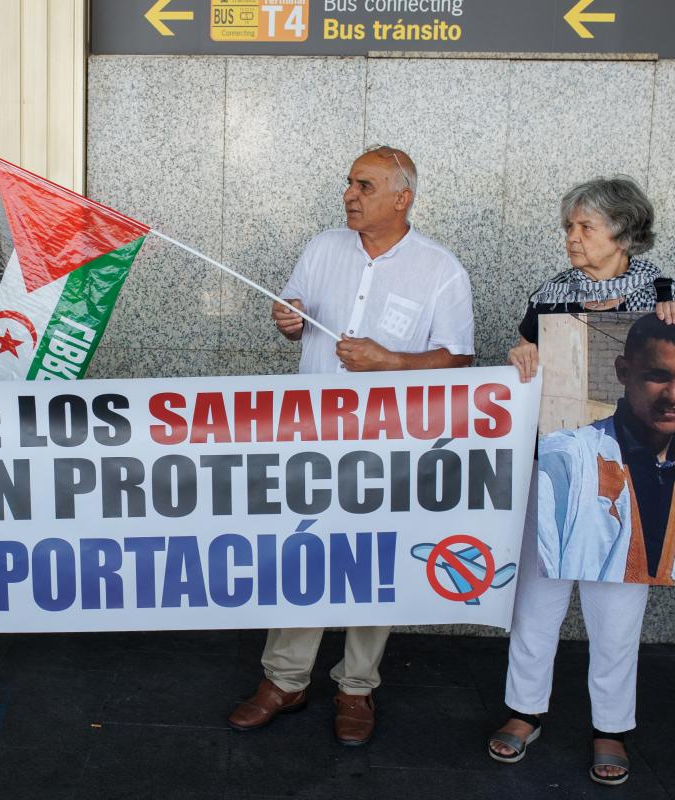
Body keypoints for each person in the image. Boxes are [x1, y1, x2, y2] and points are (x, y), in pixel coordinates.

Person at [228, 146, 475, 746]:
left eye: (364, 185)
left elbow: (460, 358)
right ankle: (284, 680)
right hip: (310, 436)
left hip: (388, 446)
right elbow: (293, 312)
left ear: (402, 197)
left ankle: (357, 687)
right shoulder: (322, 249)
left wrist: (390, 361)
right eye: (349, 184)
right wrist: (288, 318)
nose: (350, 195)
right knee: (302, 554)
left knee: (372, 562)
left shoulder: (441, 269)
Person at [489, 177, 675, 786]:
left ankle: (612, 727)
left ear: (623, 231)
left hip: (632, 476)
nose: (572, 239)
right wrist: (518, 354)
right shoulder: (551, 293)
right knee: (536, 601)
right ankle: (524, 712)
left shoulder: (665, 293)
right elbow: (524, 353)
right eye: (569, 227)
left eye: (585, 227)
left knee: (618, 606)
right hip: (554, 469)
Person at [538, 314, 675, 588]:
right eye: (658, 376)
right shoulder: (566, 460)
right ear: (623, 371)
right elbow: (542, 577)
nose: (673, 395)